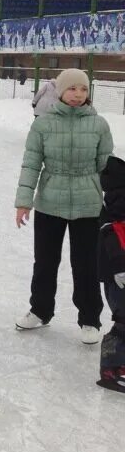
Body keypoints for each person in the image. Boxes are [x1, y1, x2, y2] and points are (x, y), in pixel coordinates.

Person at [14, 68, 113, 345]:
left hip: (88, 204)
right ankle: (40, 310)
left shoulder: (99, 125)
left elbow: (107, 167)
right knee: (45, 261)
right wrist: (24, 201)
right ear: (60, 91)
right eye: (72, 89)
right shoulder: (43, 124)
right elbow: (31, 163)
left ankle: (90, 319)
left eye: (83, 89)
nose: (78, 94)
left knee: (87, 265)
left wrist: (117, 201)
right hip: (50, 201)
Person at [97, 155, 125, 392]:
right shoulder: (117, 203)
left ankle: (120, 363)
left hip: (116, 272)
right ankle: (110, 368)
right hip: (117, 274)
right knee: (123, 321)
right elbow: (113, 236)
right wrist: (119, 268)